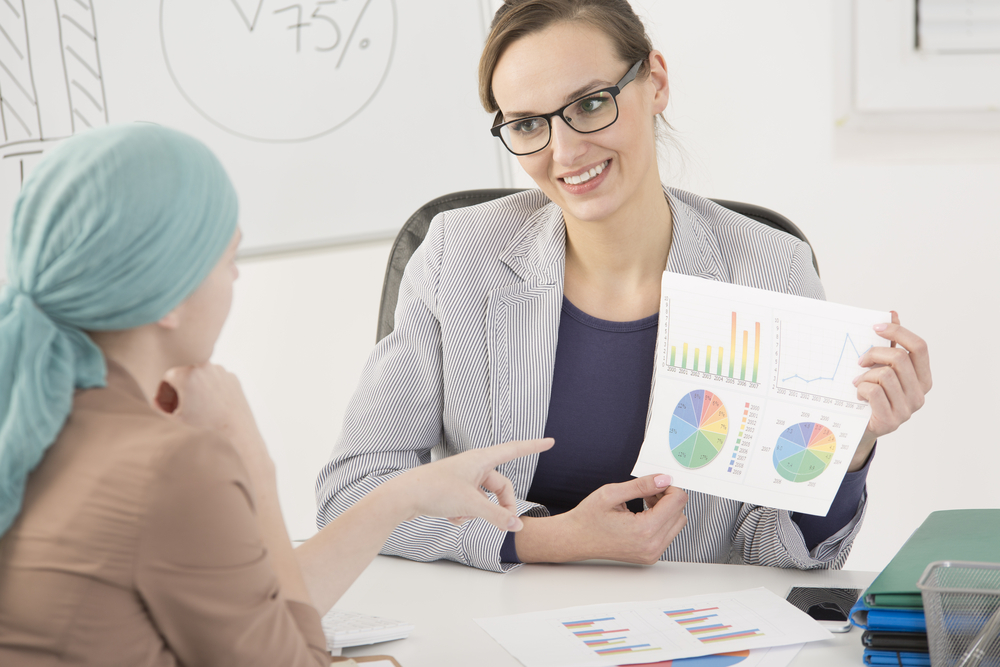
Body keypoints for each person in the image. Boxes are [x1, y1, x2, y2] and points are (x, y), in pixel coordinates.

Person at [316, 0, 931, 573]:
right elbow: (352, 493)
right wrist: (541, 539)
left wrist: (851, 445)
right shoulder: (458, 256)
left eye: (589, 104)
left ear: (656, 81)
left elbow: (786, 553)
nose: (564, 150)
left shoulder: (770, 267)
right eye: (528, 124)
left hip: (693, 643)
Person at [0, 123, 552, 665]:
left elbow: (253, 609)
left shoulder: (31, 422)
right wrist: (250, 460)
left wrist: (403, 494)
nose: (235, 281)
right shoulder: (172, 464)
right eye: (229, 260)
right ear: (167, 299)